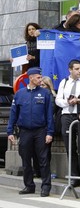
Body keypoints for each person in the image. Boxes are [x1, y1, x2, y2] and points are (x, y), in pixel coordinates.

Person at [6, 67, 54, 197]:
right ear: (31, 77)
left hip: (41, 131)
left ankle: (45, 187)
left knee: (43, 160)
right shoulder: (20, 94)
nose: (40, 79)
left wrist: (50, 132)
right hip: (25, 131)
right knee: (26, 159)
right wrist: (10, 131)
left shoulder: (45, 93)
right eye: (38, 77)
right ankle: (29, 186)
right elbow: (13, 114)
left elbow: (49, 115)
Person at [55, 59, 80, 188]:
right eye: (76, 69)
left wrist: (79, 100)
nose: (79, 71)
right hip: (67, 115)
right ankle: (74, 176)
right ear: (70, 70)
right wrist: (68, 102)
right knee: (70, 147)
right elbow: (58, 100)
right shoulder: (64, 82)